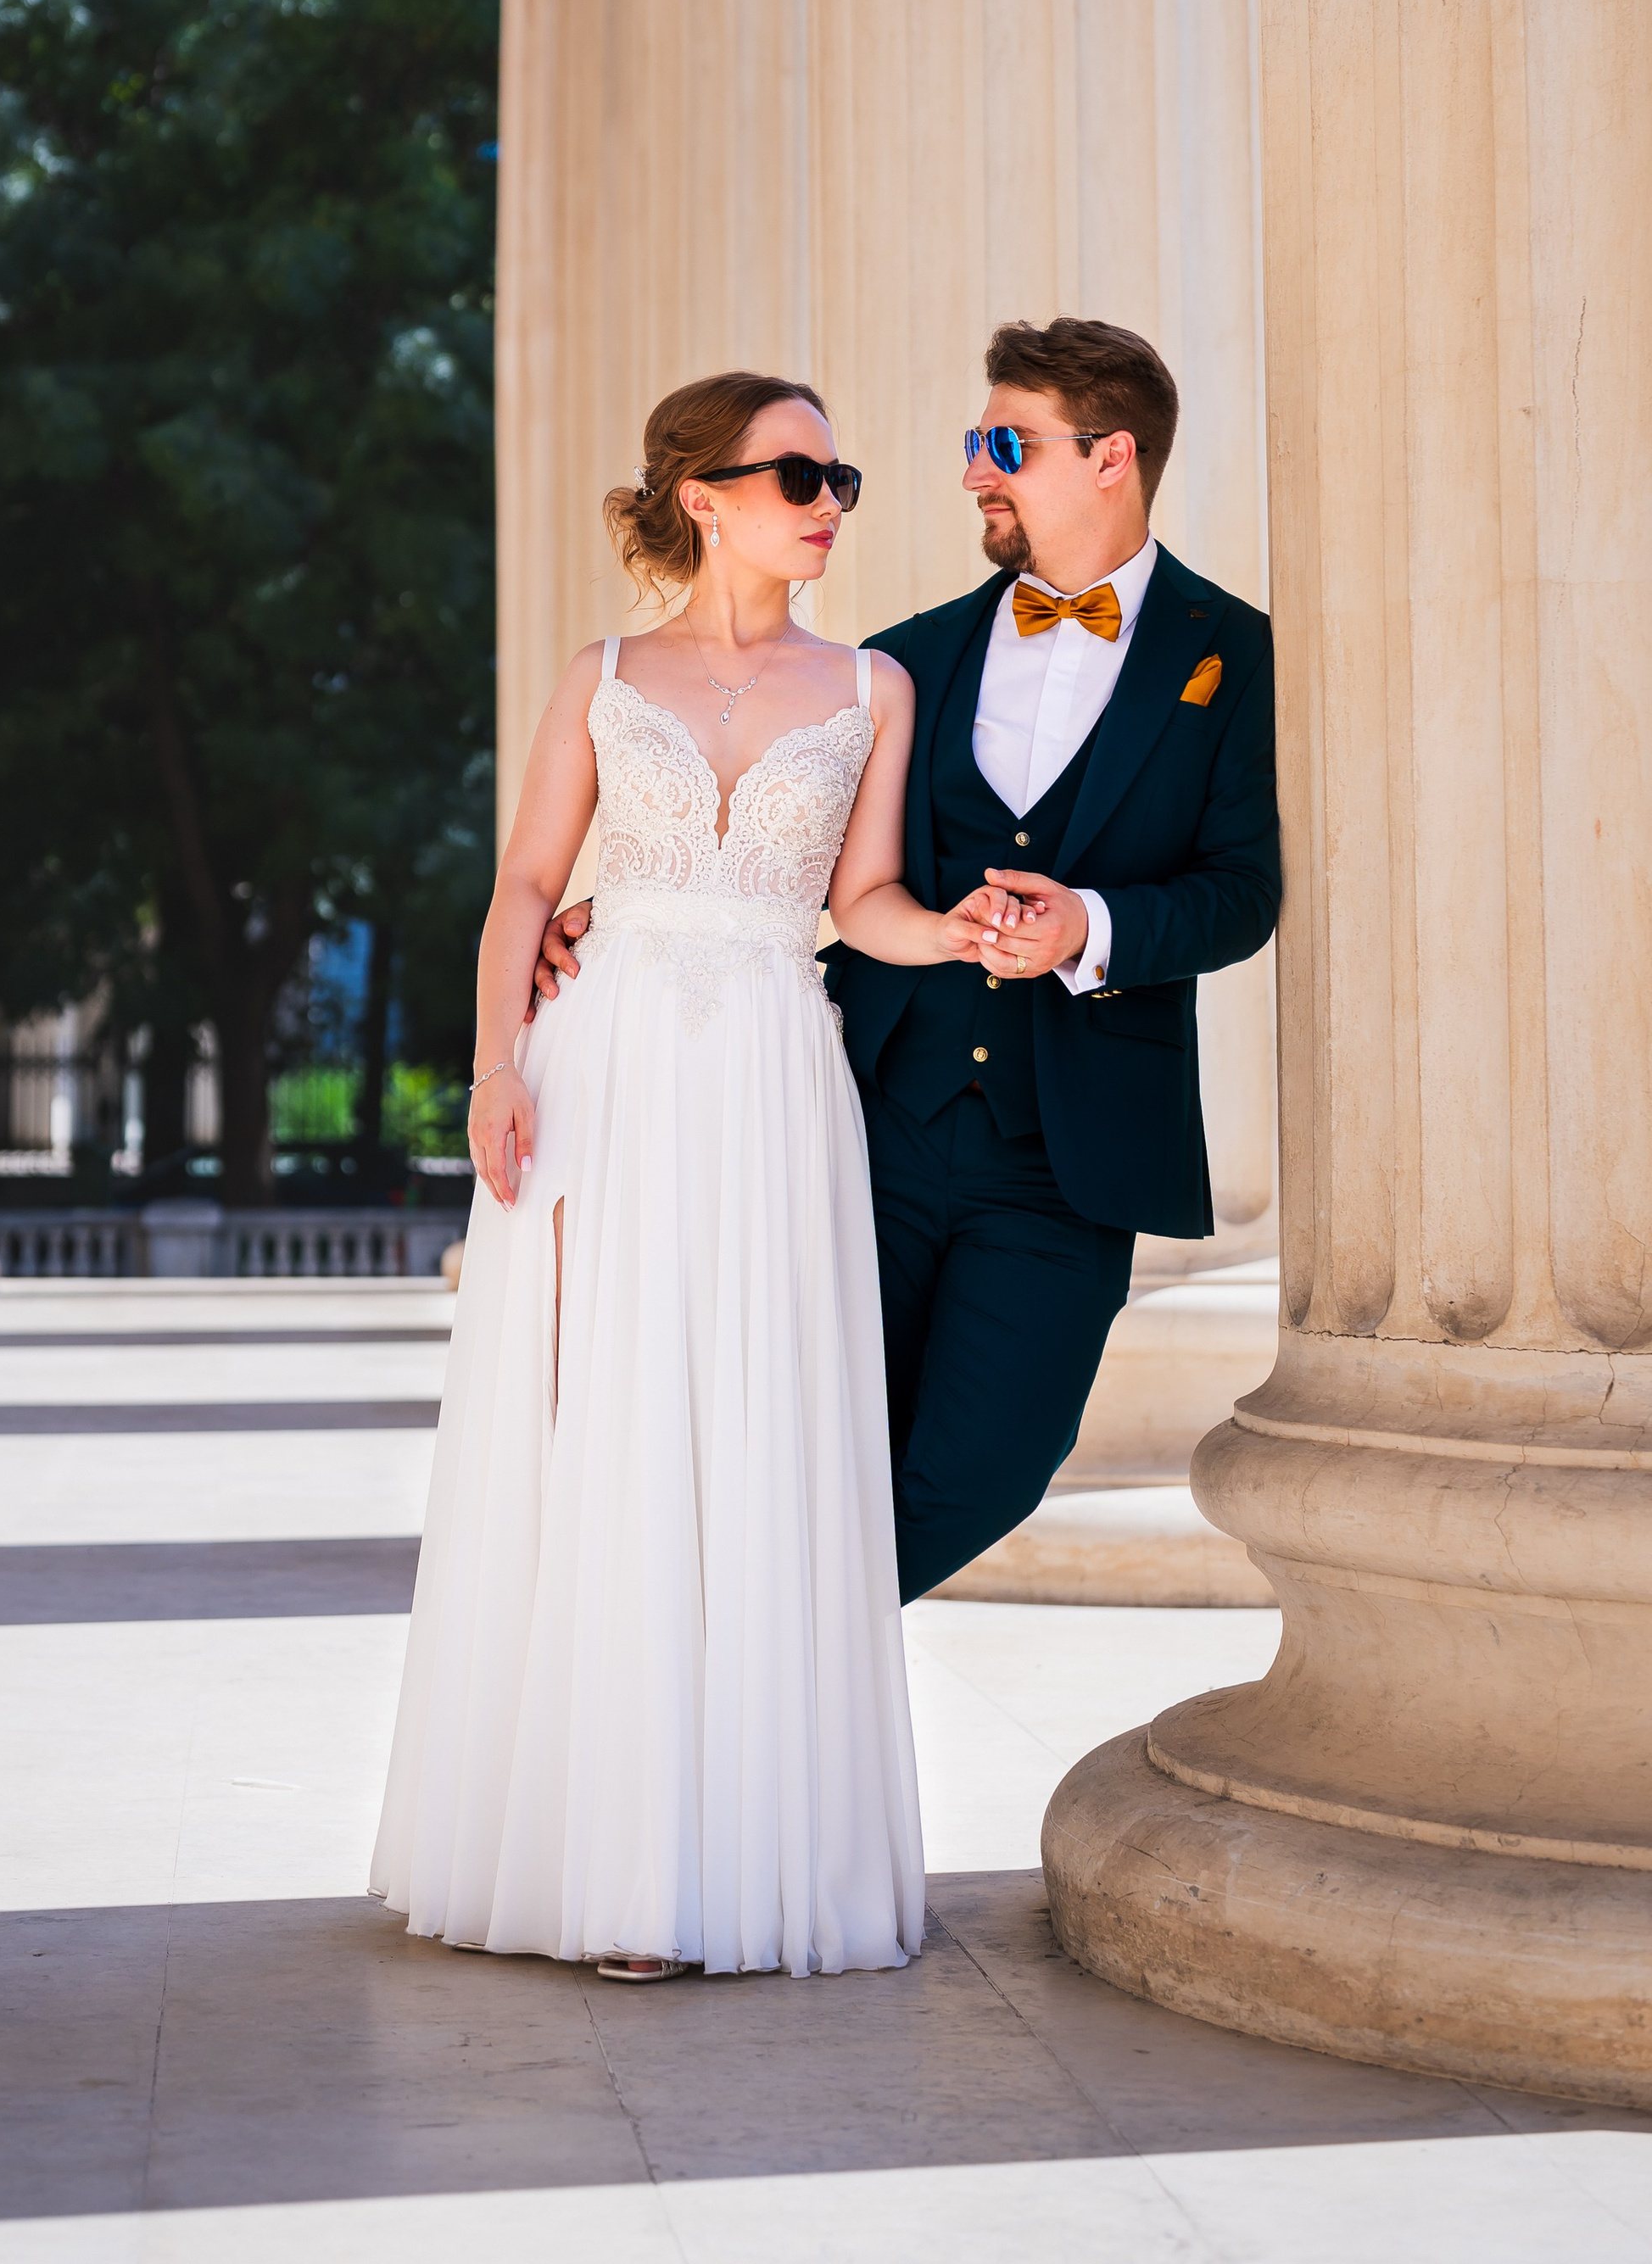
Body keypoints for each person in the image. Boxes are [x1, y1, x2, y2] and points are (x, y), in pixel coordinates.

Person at [534, 317, 1281, 1608]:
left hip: (1071, 1156)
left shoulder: (1233, 649)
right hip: (865, 1126)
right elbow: (800, 854)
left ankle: (766, 1656)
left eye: (1006, 444)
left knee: (986, 1467)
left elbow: (1242, 891)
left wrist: (1090, 929)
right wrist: (611, 910)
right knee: (791, 1444)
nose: (974, 473)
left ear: (1111, 456)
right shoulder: (910, 659)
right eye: (974, 444)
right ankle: (727, 1713)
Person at [370, 371, 930, 1983]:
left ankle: (744, 1850)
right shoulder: (603, 676)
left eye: (844, 476)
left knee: (757, 1429)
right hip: (604, 1073)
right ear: (706, 494)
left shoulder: (873, 687)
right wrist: (493, 1069)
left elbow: (867, 896)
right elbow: (528, 885)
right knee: (609, 1426)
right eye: (801, 473)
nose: (832, 502)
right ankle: (615, 1862)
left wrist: (963, 937)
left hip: (774, 1066)